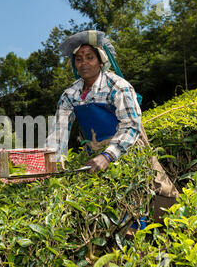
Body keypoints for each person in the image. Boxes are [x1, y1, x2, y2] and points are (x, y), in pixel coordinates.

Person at [46, 30, 179, 224]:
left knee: (149, 199)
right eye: (79, 59)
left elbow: (131, 125)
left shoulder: (117, 86)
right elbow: (58, 132)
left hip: (127, 149)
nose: (83, 63)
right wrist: (52, 163)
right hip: (96, 154)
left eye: (90, 57)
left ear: (101, 61)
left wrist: (109, 155)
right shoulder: (70, 95)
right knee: (112, 210)